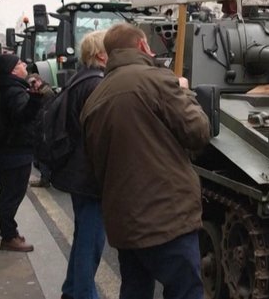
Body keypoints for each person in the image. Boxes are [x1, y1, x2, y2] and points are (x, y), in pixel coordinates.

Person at [81, 23, 210, 299]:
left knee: (135, 290)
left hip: (125, 222)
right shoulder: (158, 80)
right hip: (167, 217)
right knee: (185, 291)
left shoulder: (95, 98)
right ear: (141, 45)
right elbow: (198, 132)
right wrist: (183, 91)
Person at [51, 30, 107, 299]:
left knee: (85, 235)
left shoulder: (80, 80)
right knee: (91, 241)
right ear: (100, 54)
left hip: (78, 172)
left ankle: (72, 289)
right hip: (89, 176)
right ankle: (84, 293)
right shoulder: (96, 84)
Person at [0, 54, 44, 252]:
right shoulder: (15, 91)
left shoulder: (3, 88)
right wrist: (35, 98)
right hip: (16, 150)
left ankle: (10, 232)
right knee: (12, 195)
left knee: (8, 194)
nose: (24, 65)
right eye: (20, 63)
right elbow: (22, 117)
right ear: (13, 70)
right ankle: (9, 236)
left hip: (7, 150)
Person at [27, 73, 55, 188]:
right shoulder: (42, 91)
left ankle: (45, 178)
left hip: (44, 126)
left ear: (38, 81)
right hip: (41, 125)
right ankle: (45, 177)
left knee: (43, 153)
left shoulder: (46, 93)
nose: (32, 85)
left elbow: (43, 110)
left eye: (33, 82)